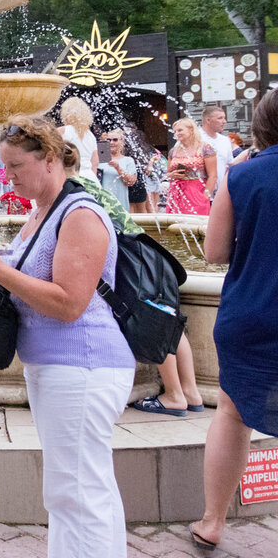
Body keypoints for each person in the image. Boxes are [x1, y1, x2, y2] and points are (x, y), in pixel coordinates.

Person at [0, 116, 134, 557]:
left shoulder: (81, 213)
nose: (8, 178)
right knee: (72, 491)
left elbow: (70, 303)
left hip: (83, 365)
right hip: (59, 367)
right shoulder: (40, 214)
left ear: (49, 159)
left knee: (78, 492)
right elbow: (25, 269)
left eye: (15, 167)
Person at [188, 89, 278, 552]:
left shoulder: (242, 176)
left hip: (252, 313)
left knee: (232, 411)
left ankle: (213, 522)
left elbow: (215, 252)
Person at [64, 146, 204, 418]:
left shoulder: (70, 189)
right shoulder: (88, 182)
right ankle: (191, 392)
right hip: (148, 252)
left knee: (153, 319)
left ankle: (174, 396)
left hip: (134, 260)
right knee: (170, 320)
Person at [166, 118, 216, 215]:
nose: (176, 133)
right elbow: (167, 174)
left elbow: (213, 176)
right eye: (175, 131)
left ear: (191, 130)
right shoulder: (173, 150)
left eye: (180, 130)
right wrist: (172, 175)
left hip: (196, 191)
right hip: (176, 192)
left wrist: (205, 197)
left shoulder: (205, 148)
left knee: (195, 224)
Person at [58, 96, 99, 183]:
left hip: (70, 177)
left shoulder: (63, 131)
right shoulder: (90, 135)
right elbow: (95, 162)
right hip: (90, 177)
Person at [98, 129, 137, 210]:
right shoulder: (99, 159)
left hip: (120, 205)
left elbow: (131, 182)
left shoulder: (128, 160)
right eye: (108, 140)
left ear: (122, 142)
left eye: (115, 140)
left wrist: (118, 168)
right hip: (102, 204)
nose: (111, 142)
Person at [199, 105, 233, 196]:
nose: (224, 122)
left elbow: (230, 164)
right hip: (198, 192)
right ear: (208, 120)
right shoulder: (193, 138)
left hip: (219, 193)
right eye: (220, 118)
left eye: (224, 118)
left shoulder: (225, 140)